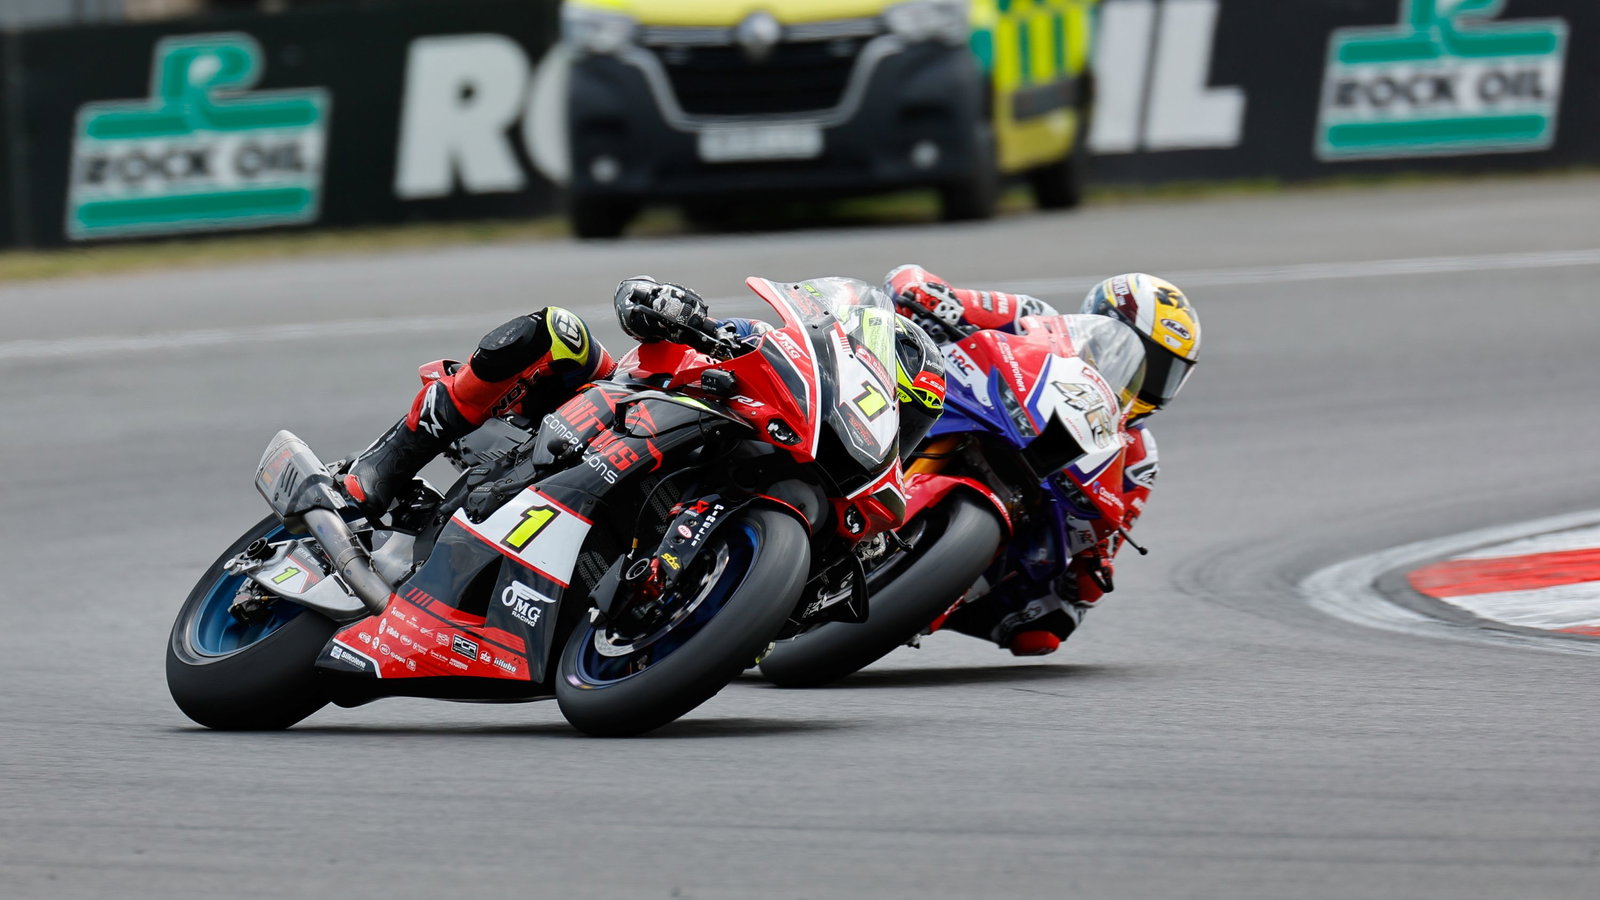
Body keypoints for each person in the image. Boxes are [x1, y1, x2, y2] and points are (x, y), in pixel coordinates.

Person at [341, 276, 945, 521]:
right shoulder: (768, 352)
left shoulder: (852, 515)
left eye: (907, 419)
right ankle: (382, 467)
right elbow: (643, 310)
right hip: (612, 409)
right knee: (557, 330)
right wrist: (668, 309)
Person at [882, 265, 1202, 656]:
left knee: (1044, 631)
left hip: (1033, 501)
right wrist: (927, 296)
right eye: (1144, 359)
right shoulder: (1031, 317)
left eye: (1165, 374)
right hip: (955, 405)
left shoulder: (1137, 454)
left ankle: (925, 594)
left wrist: (1097, 559)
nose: (1147, 382)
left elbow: (1109, 536)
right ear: (1104, 321)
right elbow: (916, 281)